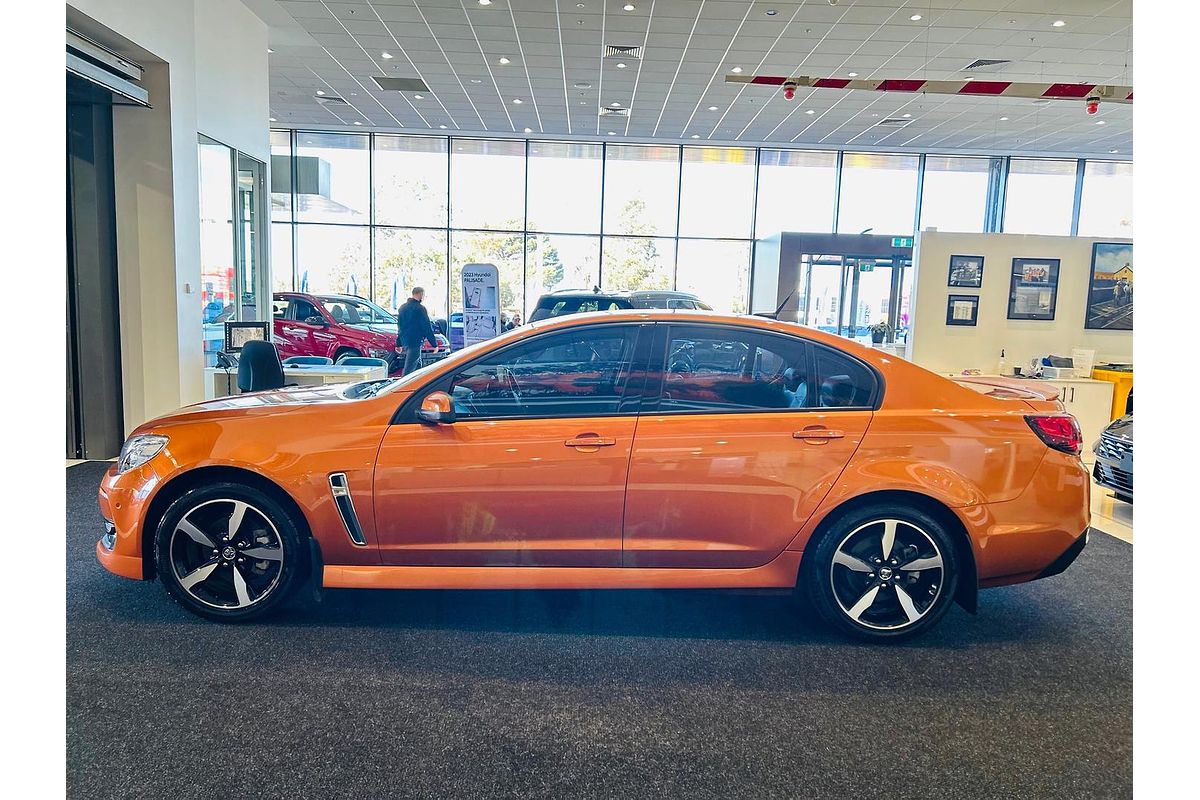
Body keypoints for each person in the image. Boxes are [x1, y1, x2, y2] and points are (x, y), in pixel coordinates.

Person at [397, 287, 438, 375]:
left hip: (405, 340)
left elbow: (400, 326)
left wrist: (399, 343)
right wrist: (434, 344)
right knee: (409, 368)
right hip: (415, 341)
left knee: (417, 367)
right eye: (423, 295)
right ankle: (403, 386)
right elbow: (426, 327)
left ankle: (419, 384)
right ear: (421, 295)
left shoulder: (402, 308)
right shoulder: (420, 308)